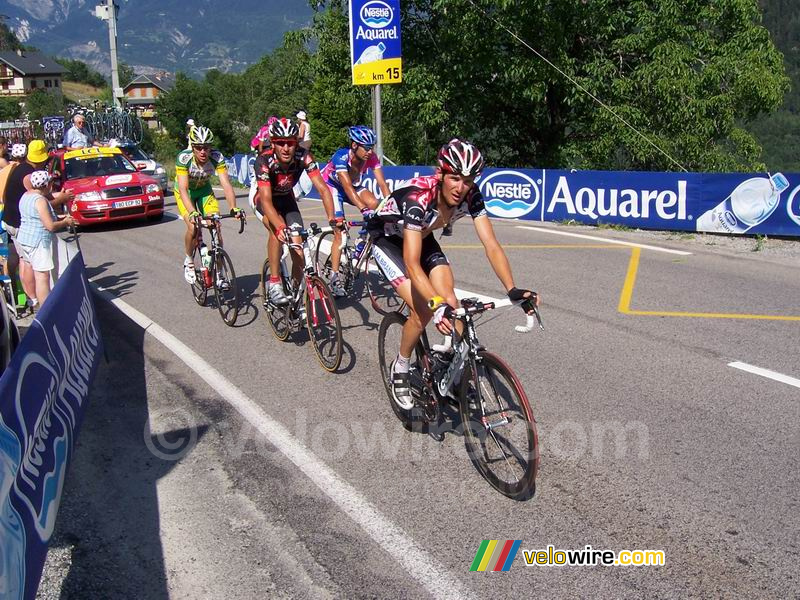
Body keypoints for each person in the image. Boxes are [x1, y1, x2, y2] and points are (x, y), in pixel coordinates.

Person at [368, 139, 539, 409]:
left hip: (421, 236)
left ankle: (454, 373)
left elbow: (491, 244)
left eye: (468, 180)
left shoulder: (472, 195)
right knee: (424, 310)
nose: (461, 188)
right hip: (388, 241)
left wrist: (512, 288)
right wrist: (435, 306)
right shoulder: (418, 197)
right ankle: (400, 367)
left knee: (453, 302)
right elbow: (411, 264)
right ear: (441, 174)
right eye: (455, 178)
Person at [251, 118, 335, 306]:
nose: (286, 148)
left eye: (290, 143)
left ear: (296, 143)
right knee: (276, 231)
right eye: (280, 143)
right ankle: (274, 283)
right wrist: (280, 226)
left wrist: (333, 218)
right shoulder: (263, 160)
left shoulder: (304, 156)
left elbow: (323, 189)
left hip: (286, 198)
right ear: (273, 143)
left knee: (298, 249)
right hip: (263, 199)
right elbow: (266, 200)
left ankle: (295, 295)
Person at [321, 125, 391, 296]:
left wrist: (392, 205)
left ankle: (362, 239)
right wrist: (363, 209)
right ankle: (334, 277)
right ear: (354, 145)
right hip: (333, 187)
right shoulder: (341, 156)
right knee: (340, 233)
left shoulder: (371, 157)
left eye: (372, 147)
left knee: (376, 204)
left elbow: (382, 184)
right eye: (366, 147)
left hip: (353, 186)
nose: (370, 151)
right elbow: (346, 187)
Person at [2, 140, 73, 308]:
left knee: (24, 261)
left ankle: (30, 297)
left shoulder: (21, 169)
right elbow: (42, 207)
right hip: (25, 229)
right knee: (38, 271)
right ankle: (38, 301)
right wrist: (62, 206)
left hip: (12, 222)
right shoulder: (29, 176)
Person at [174, 126, 242, 285]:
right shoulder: (184, 158)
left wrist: (233, 207)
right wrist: (192, 212)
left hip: (204, 191)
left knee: (215, 225)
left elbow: (226, 184)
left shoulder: (217, 157)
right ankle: (189, 260)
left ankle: (220, 274)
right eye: (198, 148)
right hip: (186, 192)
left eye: (206, 147)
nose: (203, 151)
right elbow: (183, 189)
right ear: (193, 147)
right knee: (193, 227)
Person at [16, 171, 75, 307]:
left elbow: (36, 217)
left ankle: (41, 303)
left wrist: (59, 218)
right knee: (42, 276)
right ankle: (46, 308)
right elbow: (50, 226)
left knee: (35, 271)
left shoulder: (25, 196)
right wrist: (66, 222)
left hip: (25, 239)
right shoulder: (40, 200)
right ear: (46, 185)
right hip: (38, 241)